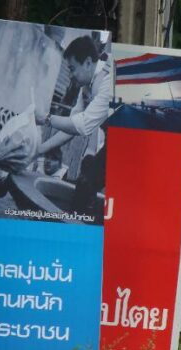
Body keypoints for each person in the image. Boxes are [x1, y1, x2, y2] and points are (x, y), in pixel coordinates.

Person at [35, 35, 112, 218]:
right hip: (114, 142)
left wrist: (46, 118)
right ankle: (77, 222)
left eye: (72, 69)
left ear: (87, 62)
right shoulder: (86, 87)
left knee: (88, 182)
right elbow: (72, 126)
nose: (70, 75)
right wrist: (41, 149)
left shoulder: (108, 81)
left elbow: (83, 125)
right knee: (85, 182)